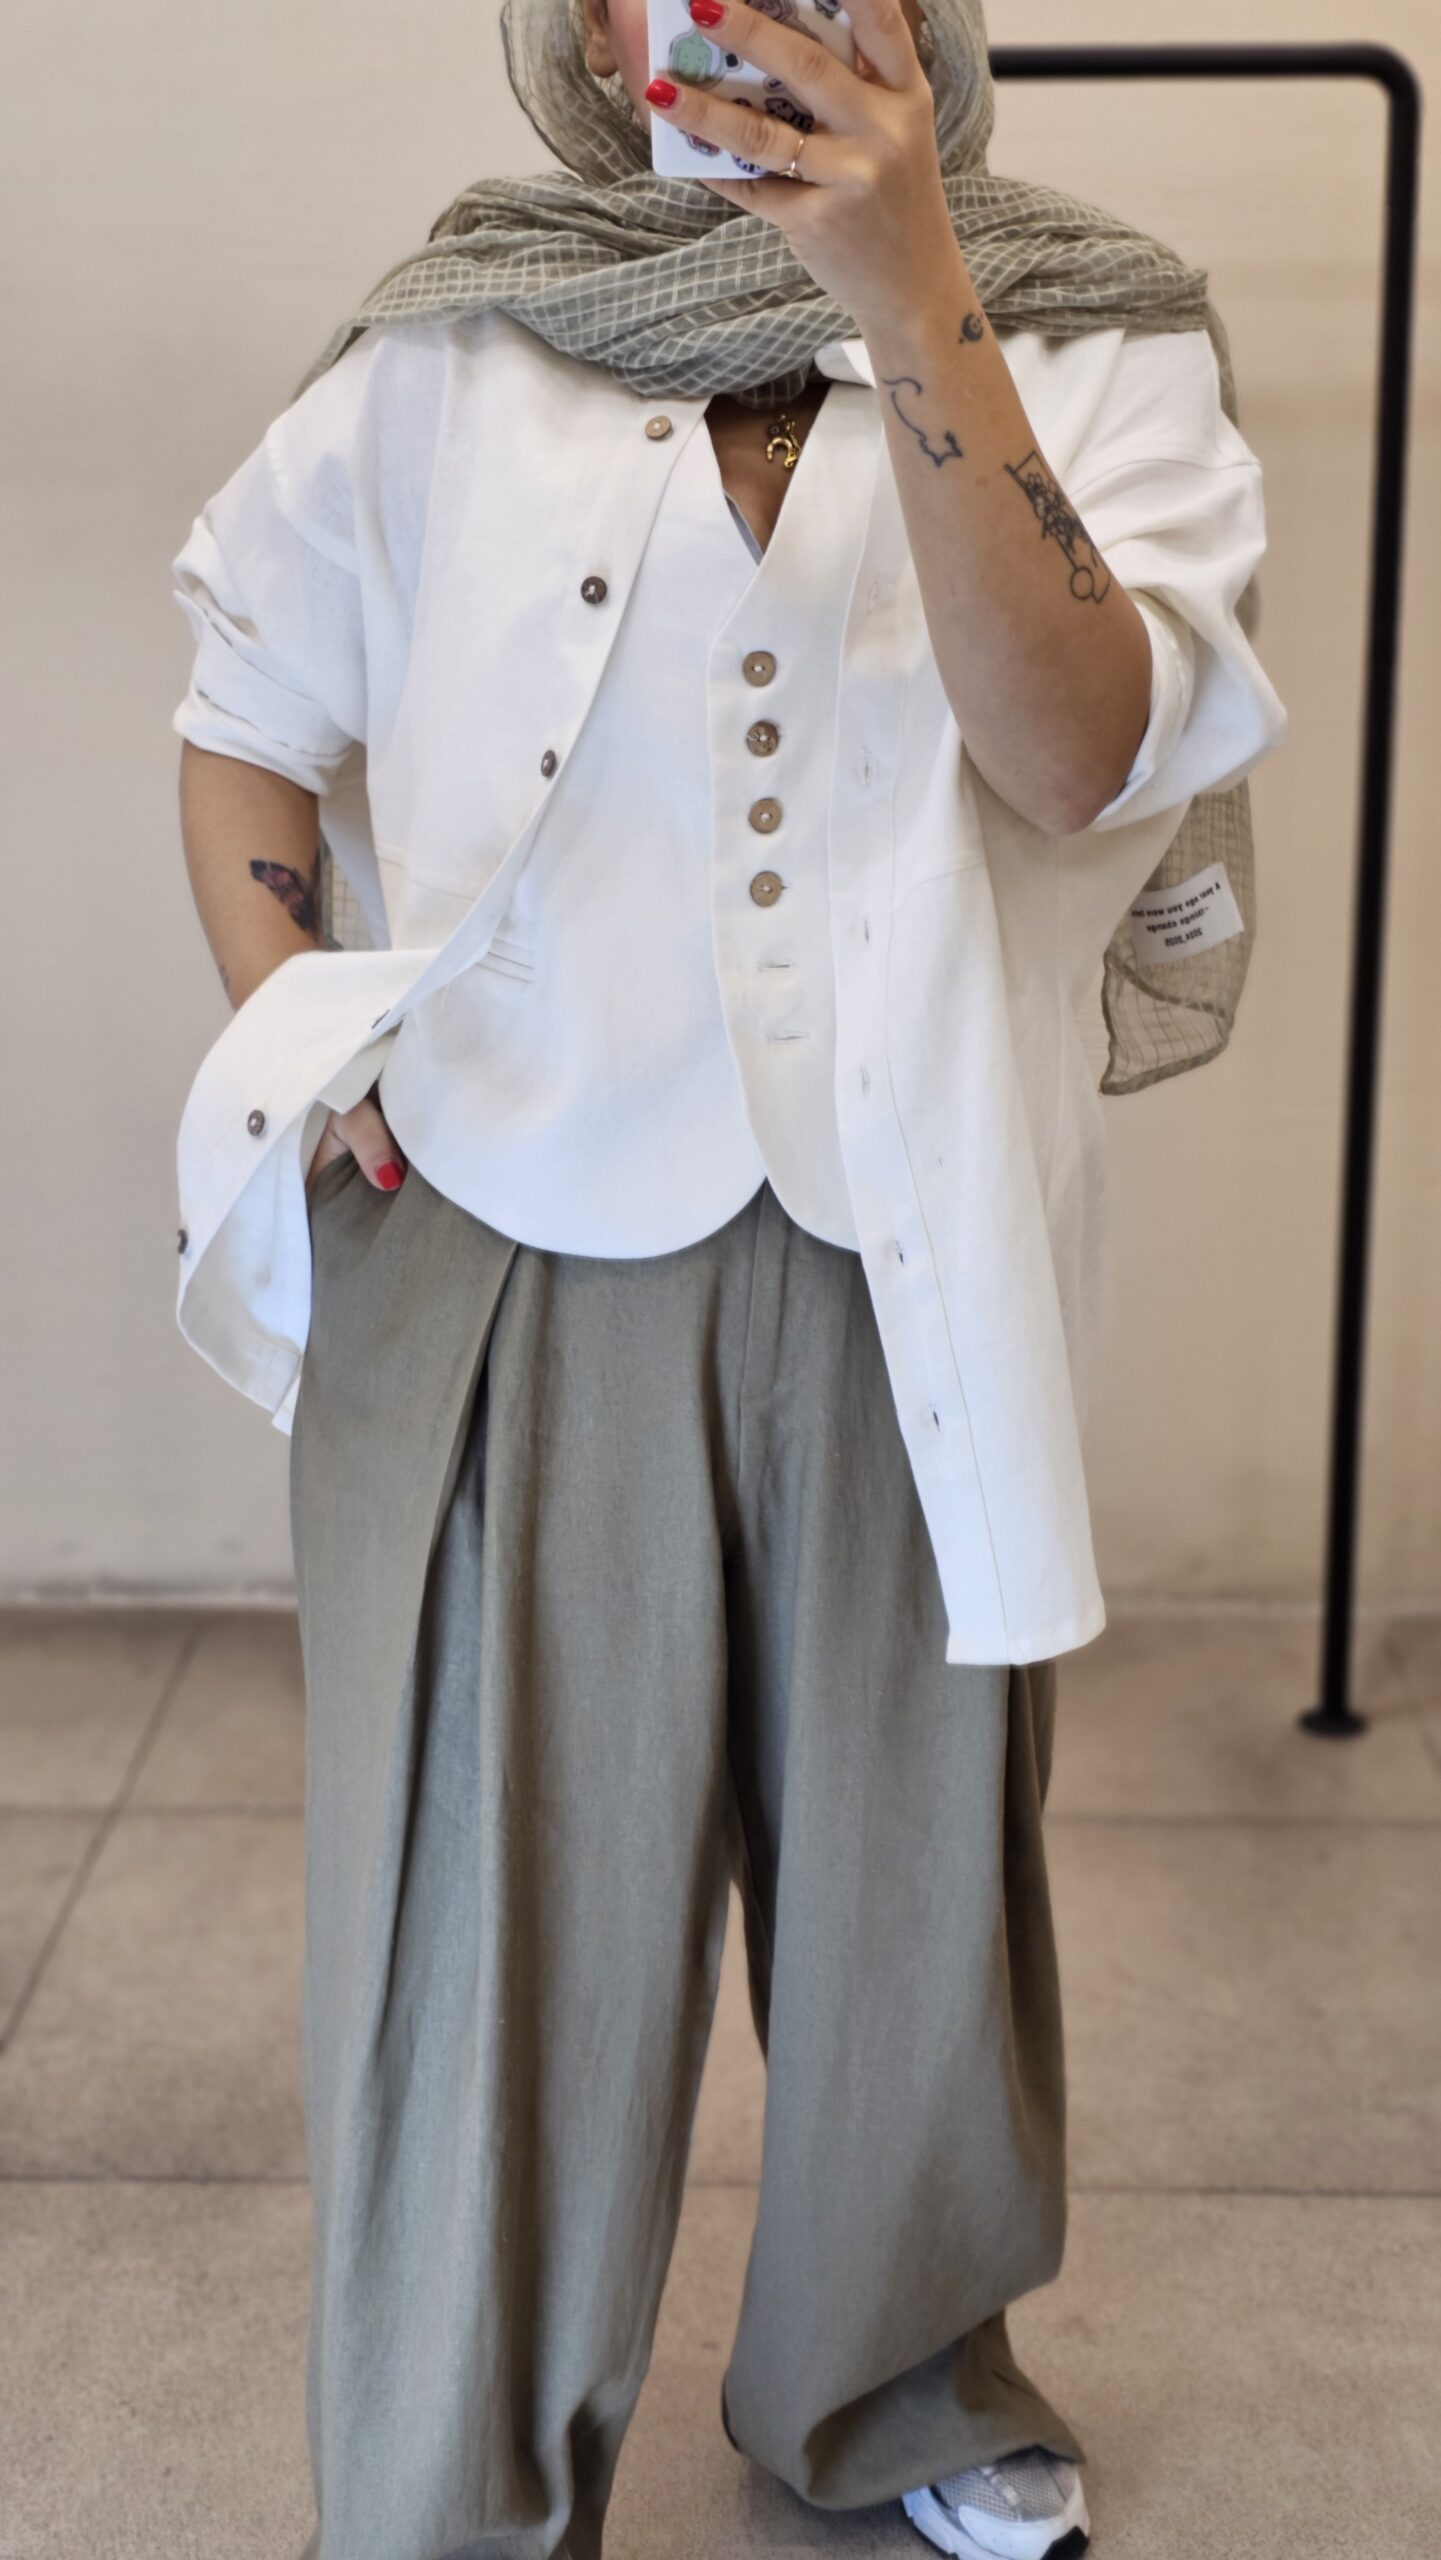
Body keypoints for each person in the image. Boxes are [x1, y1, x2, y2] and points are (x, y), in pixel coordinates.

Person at [168, 1, 1287, 2553]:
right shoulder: (452, 339)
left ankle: (900, 2382)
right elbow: (244, 711)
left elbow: (1084, 752)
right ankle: (451, 2485)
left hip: (915, 1236)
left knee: (915, 1879)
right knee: (484, 1925)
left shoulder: (1091, 336)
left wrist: (914, 296)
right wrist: (299, 1024)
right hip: (507, 1236)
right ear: (587, 26)